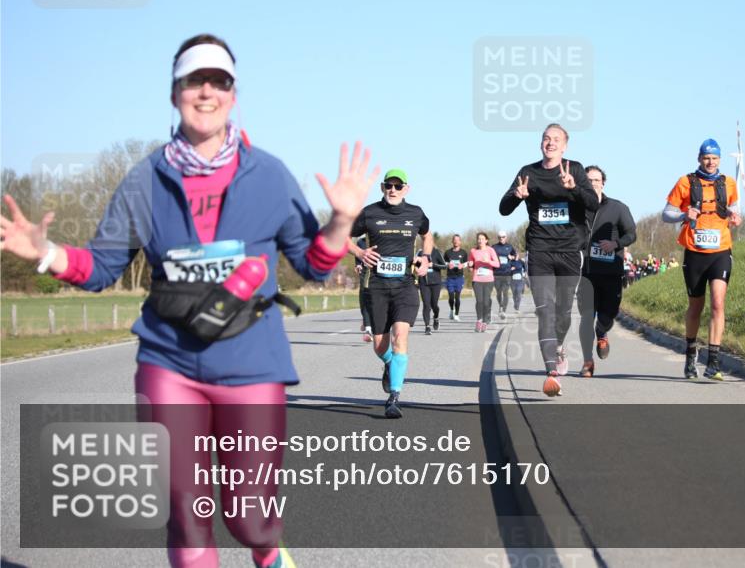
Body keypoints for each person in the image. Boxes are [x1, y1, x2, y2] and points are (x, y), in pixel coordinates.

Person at [0, 33, 378, 568]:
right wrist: (46, 253)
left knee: (251, 520)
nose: (206, 92)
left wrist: (340, 222)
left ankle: (268, 553)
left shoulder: (269, 175)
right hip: (168, 361)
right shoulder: (143, 181)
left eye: (218, 81)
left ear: (233, 94)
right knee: (186, 512)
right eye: (193, 80)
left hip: (250, 364)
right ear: (174, 92)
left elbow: (314, 266)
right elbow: (102, 267)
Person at [499, 123, 599, 397]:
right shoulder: (527, 173)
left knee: (564, 311)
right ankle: (552, 372)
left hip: (568, 251)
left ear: (565, 145)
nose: (550, 143)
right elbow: (504, 208)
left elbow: (593, 204)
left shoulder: (575, 169)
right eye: (546, 138)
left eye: (556, 139)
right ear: (541, 143)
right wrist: (516, 196)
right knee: (545, 308)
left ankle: (558, 346)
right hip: (540, 250)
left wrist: (574, 188)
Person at [349, 168, 433, 419]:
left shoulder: (416, 213)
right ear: (382, 188)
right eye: (389, 185)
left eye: (398, 186)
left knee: (400, 336)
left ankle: (394, 396)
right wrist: (360, 253)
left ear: (406, 188)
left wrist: (425, 257)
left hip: (406, 286)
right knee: (379, 345)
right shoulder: (369, 213)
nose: (393, 190)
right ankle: (389, 364)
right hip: (377, 286)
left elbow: (427, 235)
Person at [662, 138, 742, 381]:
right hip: (695, 252)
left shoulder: (729, 183)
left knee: (718, 303)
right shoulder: (686, 182)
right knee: (696, 306)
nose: (710, 162)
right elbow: (666, 213)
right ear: (699, 158)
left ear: (719, 160)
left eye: (715, 158)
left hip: (721, 251)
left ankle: (714, 361)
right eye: (706, 158)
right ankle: (690, 353)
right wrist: (684, 214)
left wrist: (735, 217)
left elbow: (736, 209)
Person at [577, 165, 636, 378]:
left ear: (603, 183)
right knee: (585, 317)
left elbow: (631, 234)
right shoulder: (577, 208)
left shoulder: (618, 208)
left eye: (596, 180)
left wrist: (616, 243)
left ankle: (602, 332)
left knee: (608, 315)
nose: (592, 183)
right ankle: (587, 362)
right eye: (588, 180)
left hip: (611, 272)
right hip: (586, 273)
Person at [469, 232, 501, 332]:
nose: (480, 240)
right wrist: (470, 265)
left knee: (486, 302)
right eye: (479, 239)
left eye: (482, 239)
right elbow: (470, 264)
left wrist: (488, 262)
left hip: (488, 280)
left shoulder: (490, 250)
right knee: (479, 301)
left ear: (486, 240)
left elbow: (497, 264)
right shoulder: (473, 251)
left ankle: (484, 321)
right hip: (477, 280)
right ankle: (479, 320)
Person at [417, 244, 447, 335]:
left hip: (436, 283)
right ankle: (427, 326)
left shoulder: (436, 252)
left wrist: (433, 265)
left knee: (434, 304)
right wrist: (416, 263)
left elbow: (444, 266)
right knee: (426, 305)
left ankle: (436, 317)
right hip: (423, 283)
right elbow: (414, 265)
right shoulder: (420, 252)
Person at [491, 230, 517, 320]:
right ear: (498, 238)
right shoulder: (494, 247)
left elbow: (516, 256)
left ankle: (503, 311)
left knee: (505, 292)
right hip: (496, 273)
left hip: (507, 273)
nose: (501, 239)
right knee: (499, 292)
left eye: (503, 237)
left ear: (506, 237)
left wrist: (512, 257)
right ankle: (500, 306)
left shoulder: (510, 247)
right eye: (500, 237)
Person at [443, 234, 469, 321]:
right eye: (454, 240)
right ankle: (451, 310)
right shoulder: (447, 252)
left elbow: (466, 263)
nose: (456, 241)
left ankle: (457, 314)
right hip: (450, 278)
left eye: (458, 240)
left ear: (460, 241)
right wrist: (448, 265)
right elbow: (444, 263)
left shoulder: (463, 252)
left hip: (459, 278)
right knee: (451, 297)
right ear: (452, 241)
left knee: (457, 297)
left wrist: (463, 265)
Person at [355, 235, 373, 342]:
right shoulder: (360, 242)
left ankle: (369, 326)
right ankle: (368, 328)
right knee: (364, 300)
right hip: (365, 273)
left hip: (378, 274)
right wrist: (358, 265)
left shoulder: (380, 237)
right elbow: (357, 258)